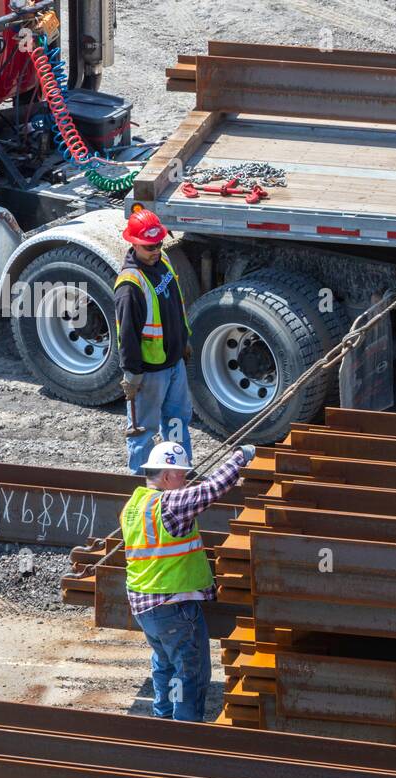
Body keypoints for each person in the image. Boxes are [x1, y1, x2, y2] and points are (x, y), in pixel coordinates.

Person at [121, 440, 256, 721]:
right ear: (167, 476)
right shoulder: (170, 504)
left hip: (146, 605)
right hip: (174, 605)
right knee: (190, 672)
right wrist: (240, 458)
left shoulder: (134, 505)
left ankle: (164, 719)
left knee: (165, 665)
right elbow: (212, 489)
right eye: (182, 474)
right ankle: (186, 731)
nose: (186, 479)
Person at [116, 209, 194, 474]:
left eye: (159, 243)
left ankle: (179, 473)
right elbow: (126, 335)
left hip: (173, 363)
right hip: (149, 372)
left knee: (177, 422)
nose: (155, 250)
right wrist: (132, 374)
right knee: (143, 432)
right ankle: (141, 481)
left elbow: (175, 306)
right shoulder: (130, 285)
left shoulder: (164, 262)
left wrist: (184, 341)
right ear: (134, 243)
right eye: (149, 246)